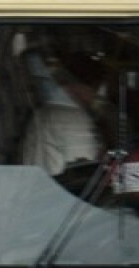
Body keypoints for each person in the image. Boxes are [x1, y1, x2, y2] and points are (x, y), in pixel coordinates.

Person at [21, 48, 114, 188]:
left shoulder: (45, 112)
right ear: (81, 86)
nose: (96, 96)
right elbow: (86, 172)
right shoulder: (71, 117)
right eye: (96, 89)